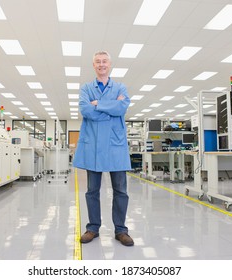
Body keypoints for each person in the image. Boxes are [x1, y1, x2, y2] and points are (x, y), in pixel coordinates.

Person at [73, 51, 133, 246]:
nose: (101, 64)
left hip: (115, 145)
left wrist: (98, 104)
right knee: (92, 190)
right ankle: (92, 228)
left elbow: (121, 108)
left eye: (104, 61)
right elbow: (86, 110)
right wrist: (110, 107)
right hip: (94, 144)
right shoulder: (86, 89)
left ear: (110, 64)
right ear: (93, 65)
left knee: (120, 190)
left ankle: (121, 230)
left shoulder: (120, 87)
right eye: (97, 61)